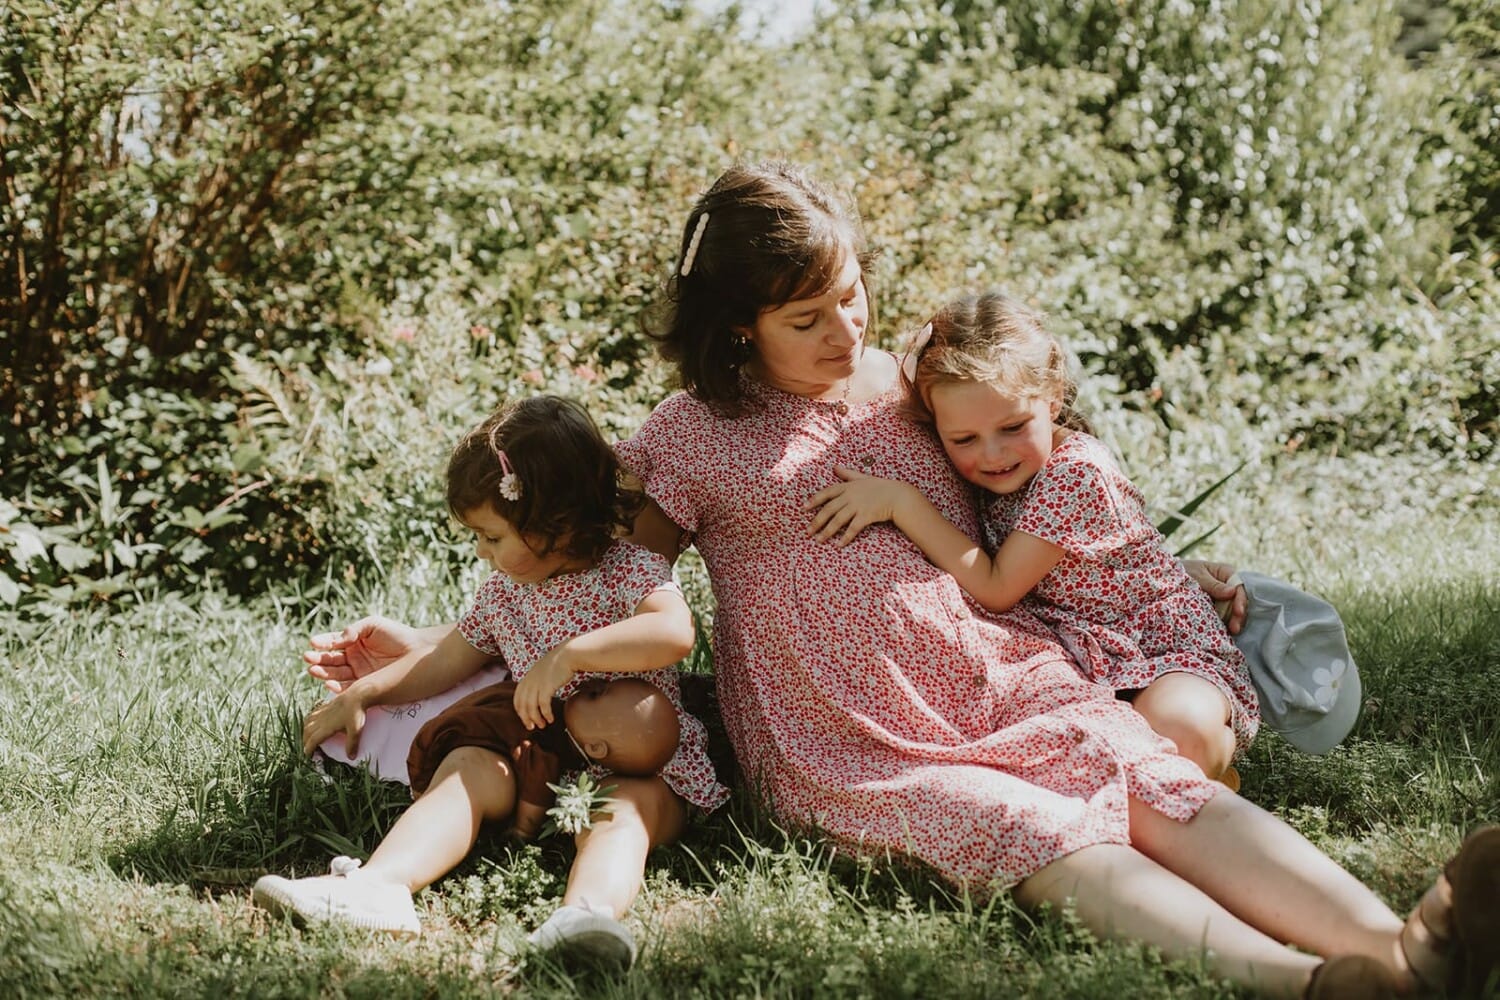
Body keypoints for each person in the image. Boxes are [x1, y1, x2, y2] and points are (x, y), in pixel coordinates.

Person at [301, 163, 1497, 998]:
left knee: (1155, 785)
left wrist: (1169, 570)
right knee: (1040, 833)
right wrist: (437, 653)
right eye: (809, 315)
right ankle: (1317, 987)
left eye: (856, 293)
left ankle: (1410, 949)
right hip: (850, 737)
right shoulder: (691, 432)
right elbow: (601, 585)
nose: (847, 327)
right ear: (735, 330)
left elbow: (1024, 488)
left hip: (999, 674)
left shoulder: (911, 386)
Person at [253, 395, 728, 971]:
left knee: (622, 815)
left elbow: (675, 631)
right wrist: (366, 692)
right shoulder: (506, 592)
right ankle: (380, 886)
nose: (482, 551)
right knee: (466, 771)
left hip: (639, 767)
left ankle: (585, 918)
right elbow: (447, 659)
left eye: (492, 536)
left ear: (554, 525)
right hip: (535, 760)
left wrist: (568, 656)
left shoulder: (627, 570)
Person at [803, 292, 1258, 790]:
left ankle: (1212, 770)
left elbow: (997, 587)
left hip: (1158, 651)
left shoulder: (1077, 471)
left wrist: (901, 503)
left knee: (1175, 727)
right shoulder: (988, 470)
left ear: (1054, 398)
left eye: (1013, 426)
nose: (993, 454)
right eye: (964, 439)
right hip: (1072, 663)